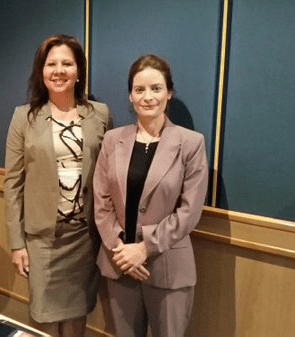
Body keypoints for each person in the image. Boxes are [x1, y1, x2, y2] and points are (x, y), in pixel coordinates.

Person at [4, 34, 113, 337]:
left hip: (84, 237)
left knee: (78, 319)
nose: (59, 70)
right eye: (51, 64)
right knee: (44, 319)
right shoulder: (23, 118)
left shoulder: (100, 114)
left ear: (79, 71)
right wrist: (16, 243)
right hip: (42, 239)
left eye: (67, 63)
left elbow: (108, 176)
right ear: (41, 71)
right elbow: (12, 183)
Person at [92, 54, 208, 337]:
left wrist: (143, 249)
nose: (148, 97)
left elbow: (189, 212)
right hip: (119, 266)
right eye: (139, 89)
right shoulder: (112, 140)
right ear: (130, 96)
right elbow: (101, 201)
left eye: (156, 88)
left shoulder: (191, 144)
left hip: (168, 267)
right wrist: (121, 249)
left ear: (169, 93)